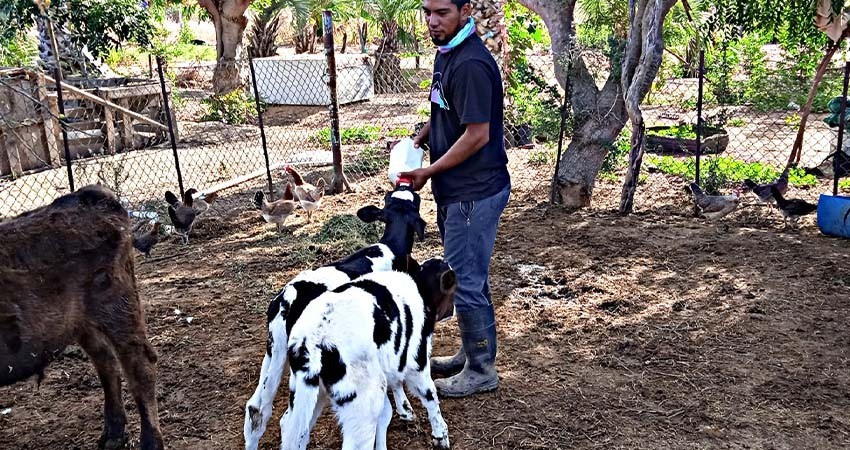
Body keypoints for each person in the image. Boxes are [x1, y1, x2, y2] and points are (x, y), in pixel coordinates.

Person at [398, 0, 511, 398]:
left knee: (466, 281)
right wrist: (427, 133)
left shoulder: (470, 64)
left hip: (473, 192)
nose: (432, 20)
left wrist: (428, 171)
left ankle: (481, 369)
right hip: (459, 190)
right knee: (465, 275)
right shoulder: (447, 53)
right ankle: (471, 353)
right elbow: (447, 108)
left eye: (442, 12)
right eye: (427, 11)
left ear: (464, 11)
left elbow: (477, 134)